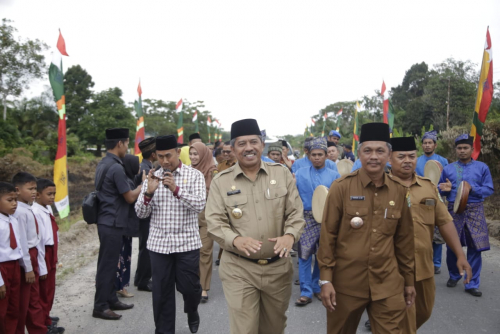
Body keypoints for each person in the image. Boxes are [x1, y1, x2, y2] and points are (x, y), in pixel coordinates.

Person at [206, 118, 305, 334]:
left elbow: (296, 213)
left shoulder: (281, 174)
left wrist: (290, 235)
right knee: (245, 329)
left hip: (277, 268)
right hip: (239, 269)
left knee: (274, 328)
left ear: (262, 145)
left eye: (253, 142)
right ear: (232, 149)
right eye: (241, 144)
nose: (248, 148)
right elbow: (214, 221)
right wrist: (235, 239)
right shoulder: (221, 181)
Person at [317, 123, 416, 334]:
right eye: (368, 150)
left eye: (380, 151)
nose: (374, 156)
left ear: (389, 155)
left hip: (387, 283)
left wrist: (409, 281)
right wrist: (325, 279)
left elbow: (404, 240)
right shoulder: (341, 187)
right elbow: (328, 236)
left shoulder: (399, 191)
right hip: (346, 284)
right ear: (359, 153)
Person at [389, 137, 472, 332]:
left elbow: (444, 222)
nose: (407, 160)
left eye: (411, 156)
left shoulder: (428, 187)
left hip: (423, 264)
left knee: (424, 311)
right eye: (401, 156)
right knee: (399, 315)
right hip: (391, 266)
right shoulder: (381, 188)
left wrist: (460, 255)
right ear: (389, 160)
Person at [135, 135, 206, 334]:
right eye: (160, 157)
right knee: (161, 294)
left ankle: (192, 310)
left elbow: (200, 205)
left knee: (190, 289)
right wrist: (148, 193)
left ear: (177, 152)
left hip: (187, 244)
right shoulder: (152, 177)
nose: (165, 161)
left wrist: (176, 189)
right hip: (159, 246)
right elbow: (140, 213)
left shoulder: (194, 176)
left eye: (168, 155)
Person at [92, 128, 143, 320]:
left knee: (110, 264)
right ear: (120, 143)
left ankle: (111, 298)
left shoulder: (104, 163)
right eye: (127, 143)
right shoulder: (116, 167)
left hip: (107, 220)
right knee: (107, 265)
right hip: (111, 221)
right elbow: (129, 197)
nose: (127, 147)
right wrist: (141, 187)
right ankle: (100, 306)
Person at [438, 134, 494, 297]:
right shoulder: (448, 169)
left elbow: (489, 189)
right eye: (459, 148)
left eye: (465, 148)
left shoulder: (482, 167)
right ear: (455, 150)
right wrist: (444, 189)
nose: (462, 151)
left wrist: (473, 188)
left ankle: (471, 283)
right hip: (454, 211)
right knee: (451, 246)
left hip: (475, 209)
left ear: (472, 149)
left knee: (475, 247)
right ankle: (454, 275)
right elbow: (439, 188)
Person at [294, 138, 340, 307]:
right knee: (304, 255)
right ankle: (305, 291)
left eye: (320, 154)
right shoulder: (300, 174)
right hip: (306, 218)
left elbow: (338, 199)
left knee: (323, 255)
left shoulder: (335, 175)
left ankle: (317, 286)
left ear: (326, 155)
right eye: (313, 155)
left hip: (328, 219)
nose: (317, 158)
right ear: (309, 155)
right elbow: (293, 196)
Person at [12, 172, 49, 334]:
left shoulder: (28, 208)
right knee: (25, 300)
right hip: (26, 257)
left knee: (32, 297)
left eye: (35, 188)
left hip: (33, 255)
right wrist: (28, 268)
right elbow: (22, 243)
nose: (34, 192)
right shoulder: (18, 212)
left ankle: (38, 328)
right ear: (17, 190)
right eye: (30, 189)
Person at [32, 179, 65, 333]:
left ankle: (46, 316)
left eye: (54, 194)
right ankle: (44, 323)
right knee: (43, 291)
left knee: (50, 289)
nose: (52, 197)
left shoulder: (47, 208)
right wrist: (43, 266)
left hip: (51, 252)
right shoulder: (36, 212)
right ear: (38, 195)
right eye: (49, 194)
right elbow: (39, 241)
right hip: (43, 253)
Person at [415, 130, 449, 274]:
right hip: (420, 200)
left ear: (435, 145)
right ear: (422, 145)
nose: (427, 145)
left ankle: (436, 263)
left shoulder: (443, 161)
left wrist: (444, 188)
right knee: (422, 231)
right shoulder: (416, 160)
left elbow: (448, 181)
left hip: (438, 200)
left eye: (430, 143)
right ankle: (423, 261)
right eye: (425, 143)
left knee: (437, 232)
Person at [190, 142, 217, 303]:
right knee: (190, 254)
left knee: (205, 252)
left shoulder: (213, 172)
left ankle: (204, 288)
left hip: (207, 218)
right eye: (191, 154)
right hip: (187, 219)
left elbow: (216, 193)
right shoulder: (185, 171)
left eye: (196, 154)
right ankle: (191, 282)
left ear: (204, 155)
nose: (193, 157)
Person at [116, 154, 141, 299]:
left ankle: (121, 286)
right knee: (122, 257)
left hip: (126, 226)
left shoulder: (129, 179)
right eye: (136, 165)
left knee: (125, 256)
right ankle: (121, 287)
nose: (138, 168)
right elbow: (131, 199)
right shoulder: (127, 181)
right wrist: (141, 187)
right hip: (124, 226)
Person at [0, 182, 24, 334]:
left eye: (16, 200)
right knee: (2, 310)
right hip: (2, 268)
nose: (14, 204)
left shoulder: (12, 219)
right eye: (10, 200)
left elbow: (19, 246)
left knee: (14, 307)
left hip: (14, 266)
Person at [134, 137, 157, 292]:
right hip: (145, 213)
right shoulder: (146, 170)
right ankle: (143, 280)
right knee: (147, 248)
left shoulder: (144, 165)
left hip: (144, 213)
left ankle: (140, 278)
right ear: (154, 154)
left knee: (145, 247)